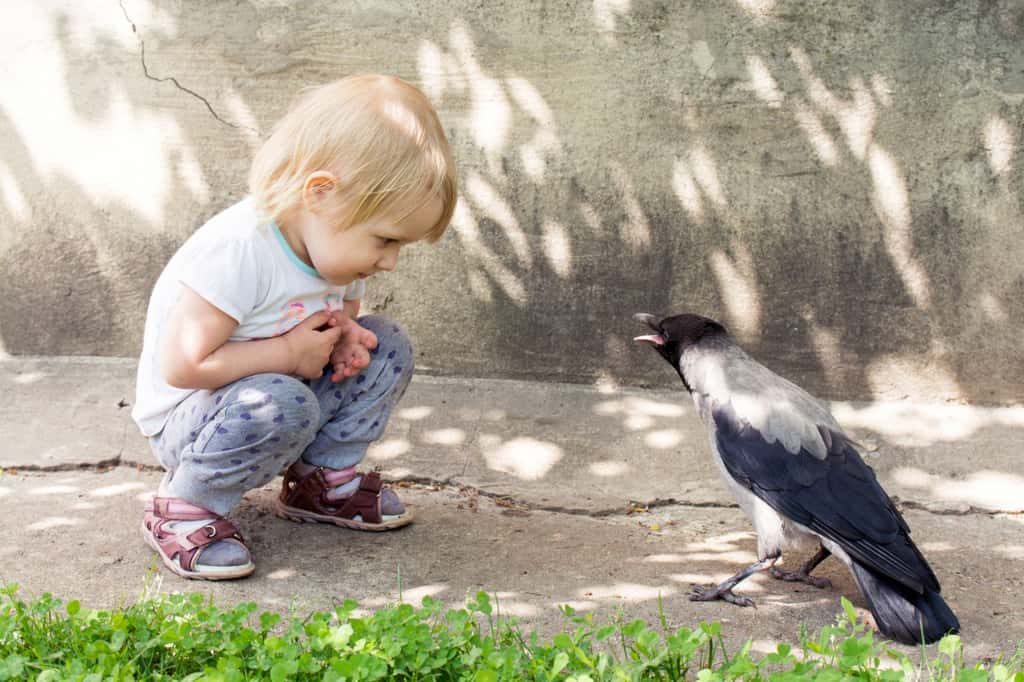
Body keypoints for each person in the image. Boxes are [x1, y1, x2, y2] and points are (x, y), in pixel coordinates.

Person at [131, 74, 457, 580]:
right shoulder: (240, 250)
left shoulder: (336, 253)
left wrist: (345, 334)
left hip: (284, 392)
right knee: (283, 400)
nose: (390, 262)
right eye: (385, 240)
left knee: (388, 345)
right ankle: (183, 505)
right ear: (320, 195)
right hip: (196, 421)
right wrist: (286, 353)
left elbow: (337, 317)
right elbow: (183, 364)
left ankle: (318, 482)